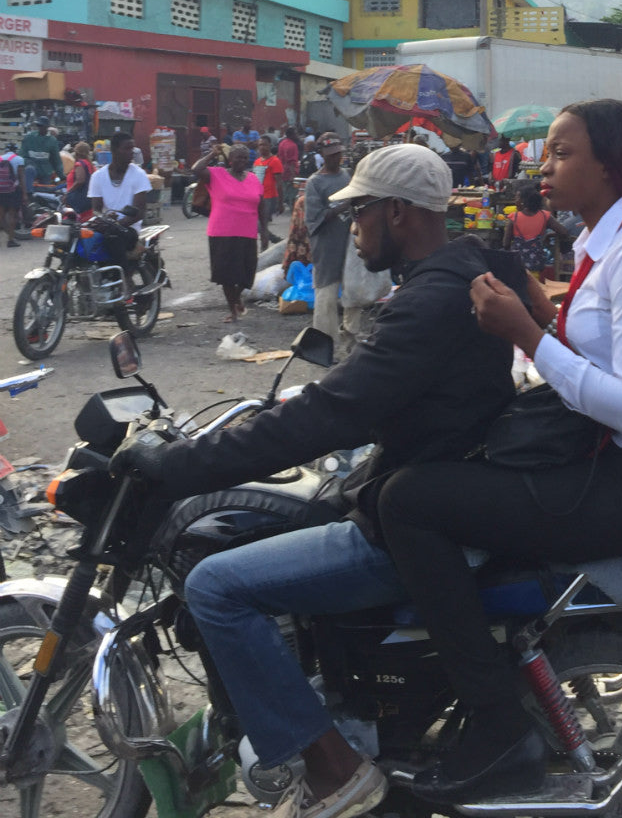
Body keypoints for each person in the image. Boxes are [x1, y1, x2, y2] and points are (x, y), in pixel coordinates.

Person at [111, 143, 520, 818]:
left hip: (414, 517)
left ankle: (333, 772)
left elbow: (335, 412)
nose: (352, 227)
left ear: (396, 211)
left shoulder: (429, 301)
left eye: (359, 211)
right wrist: (280, 415)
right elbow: (356, 399)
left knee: (215, 586)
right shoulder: (462, 272)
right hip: (431, 491)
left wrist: (185, 464)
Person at [375, 99, 622, 805]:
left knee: (408, 501)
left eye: (561, 153)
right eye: (547, 151)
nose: (543, 165)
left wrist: (529, 336)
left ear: (611, 166)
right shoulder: (600, 247)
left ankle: (498, 725)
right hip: (609, 459)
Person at [192, 143, 262, 322]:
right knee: (227, 275)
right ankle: (233, 310)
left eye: (245, 158)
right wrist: (211, 155)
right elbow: (196, 169)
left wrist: (266, 229)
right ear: (230, 159)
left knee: (247, 274)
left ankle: (236, 297)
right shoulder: (217, 174)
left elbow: (261, 203)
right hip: (222, 232)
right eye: (238, 157)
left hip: (248, 232)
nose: (242, 161)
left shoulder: (253, 178)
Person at [305, 133, 352, 338]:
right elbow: (314, 218)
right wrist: (343, 206)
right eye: (331, 154)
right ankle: (325, 342)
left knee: (354, 293)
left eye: (338, 154)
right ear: (322, 155)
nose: (335, 158)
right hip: (326, 245)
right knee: (326, 294)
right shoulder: (315, 183)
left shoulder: (347, 176)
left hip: (350, 243)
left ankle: (351, 337)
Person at [87, 130, 151, 274]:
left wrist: (116, 225)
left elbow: (139, 212)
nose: (132, 152)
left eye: (132, 149)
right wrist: (102, 219)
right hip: (107, 225)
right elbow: (96, 209)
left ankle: (126, 278)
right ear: (114, 150)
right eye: (127, 148)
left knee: (114, 237)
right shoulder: (97, 176)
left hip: (130, 229)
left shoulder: (139, 175)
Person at [502, 183, 568, 278]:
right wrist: (548, 236)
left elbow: (506, 244)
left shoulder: (513, 218)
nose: (515, 201)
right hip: (536, 266)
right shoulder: (545, 216)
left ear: (523, 201)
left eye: (517, 198)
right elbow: (564, 232)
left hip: (517, 267)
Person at [254, 136, 285, 251]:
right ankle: (274, 239)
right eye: (260, 145)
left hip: (269, 198)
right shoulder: (257, 162)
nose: (262, 147)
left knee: (261, 225)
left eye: (264, 144)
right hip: (257, 197)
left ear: (270, 146)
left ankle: (264, 249)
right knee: (258, 225)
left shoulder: (275, 161)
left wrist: (280, 203)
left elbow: (279, 183)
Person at [19, 115, 64, 194]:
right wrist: (29, 164)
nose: (40, 128)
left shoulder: (52, 141)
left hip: (45, 172)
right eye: (38, 125)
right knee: (29, 172)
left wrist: (61, 176)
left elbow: (56, 160)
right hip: (32, 170)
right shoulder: (29, 137)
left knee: (46, 193)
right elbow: (22, 156)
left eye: (42, 126)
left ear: (47, 127)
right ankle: (28, 197)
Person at [0, 143, 26, 248]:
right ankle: (10, 240)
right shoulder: (19, 159)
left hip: (1, 190)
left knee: (1, 215)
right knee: (12, 215)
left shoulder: (0, 158)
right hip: (13, 190)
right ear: (16, 150)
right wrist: (24, 194)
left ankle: (7, 233)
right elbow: (21, 177)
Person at [65, 141, 95, 219]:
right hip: (88, 202)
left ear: (76, 153)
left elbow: (80, 180)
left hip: (78, 200)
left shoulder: (80, 164)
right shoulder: (90, 165)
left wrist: (68, 193)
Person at [278, 126, 302, 212]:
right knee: (293, 192)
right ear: (292, 135)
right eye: (296, 133)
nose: (297, 135)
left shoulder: (282, 143)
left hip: (282, 171)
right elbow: (291, 162)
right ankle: (293, 208)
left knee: (286, 190)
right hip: (290, 172)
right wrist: (293, 175)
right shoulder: (292, 145)